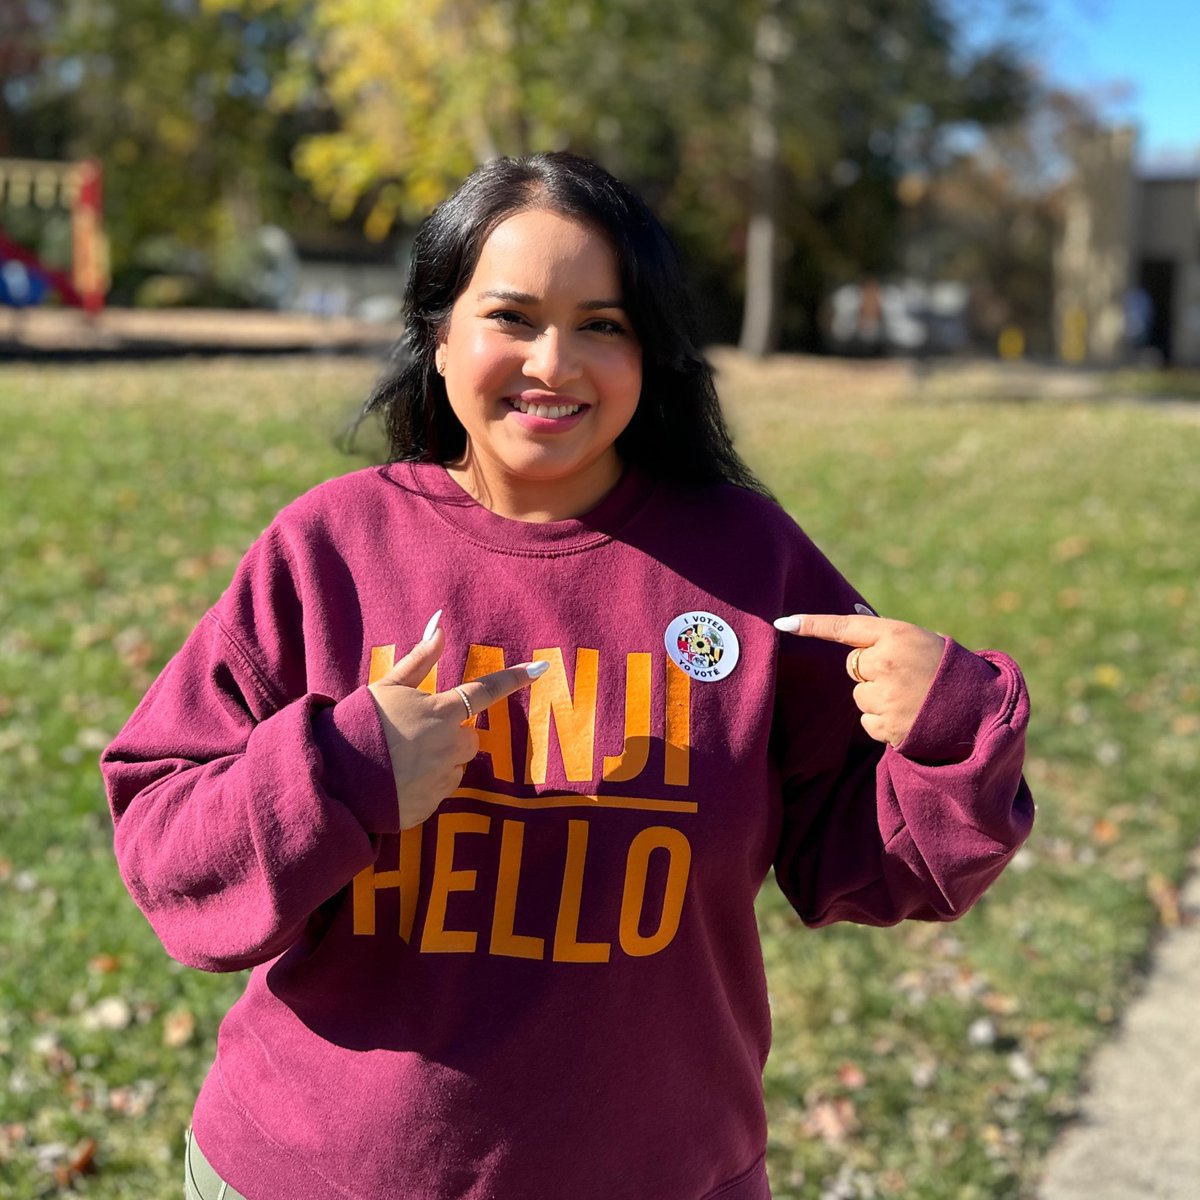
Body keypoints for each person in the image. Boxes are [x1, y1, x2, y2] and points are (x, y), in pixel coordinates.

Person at [101, 152, 1034, 1200]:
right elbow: (167, 849)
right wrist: (345, 773)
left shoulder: (747, 560)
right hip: (315, 1175)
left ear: (652, 353)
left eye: (603, 323)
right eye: (512, 316)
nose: (556, 362)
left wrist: (952, 731)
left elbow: (872, 865)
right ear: (438, 333)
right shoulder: (330, 548)